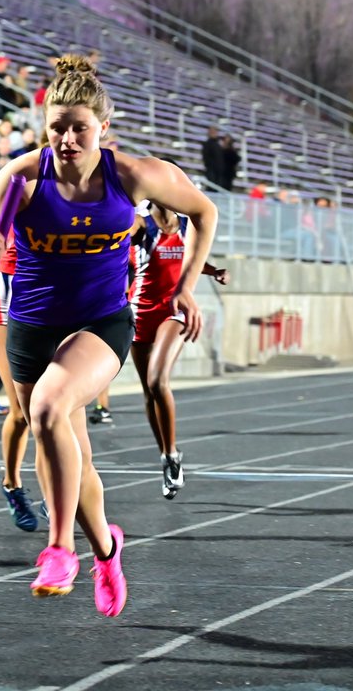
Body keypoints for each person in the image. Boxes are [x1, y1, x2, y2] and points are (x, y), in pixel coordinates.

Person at [0, 54, 218, 616]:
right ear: (42, 124)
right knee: (70, 454)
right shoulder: (21, 178)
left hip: (99, 322)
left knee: (46, 407)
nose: (67, 139)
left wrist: (186, 288)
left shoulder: (135, 176)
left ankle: (58, 549)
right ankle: (105, 548)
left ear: (103, 127)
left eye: (79, 127)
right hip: (31, 324)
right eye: (57, 127)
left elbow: (205, 212)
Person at [130, 202, 228, 500]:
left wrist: (213, 271)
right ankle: (165, 453)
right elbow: (120, 234)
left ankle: (172, 455)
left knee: (158, 381)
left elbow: (191, 259)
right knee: (149, 391)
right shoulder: (141, 222)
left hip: (173, 311)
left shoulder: (188, 223)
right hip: (139, 312)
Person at [0, 227, 48, 531]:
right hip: (3, 296)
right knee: (23, 411)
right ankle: (12, 485)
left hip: (45, 297)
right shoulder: (9, 193)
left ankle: (54, 495)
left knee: (49, 409)